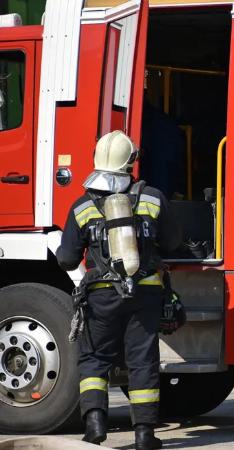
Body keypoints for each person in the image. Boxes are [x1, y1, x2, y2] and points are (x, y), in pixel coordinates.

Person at [56, 130, 181, 450]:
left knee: (95, 359)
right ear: (131, 163)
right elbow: (172, 243)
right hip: (146, 293)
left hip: (100, 295)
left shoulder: (83, 205)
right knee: (142, 361)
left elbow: (67, 258)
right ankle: (144, 435)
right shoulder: (153, 197)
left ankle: (95, 425)